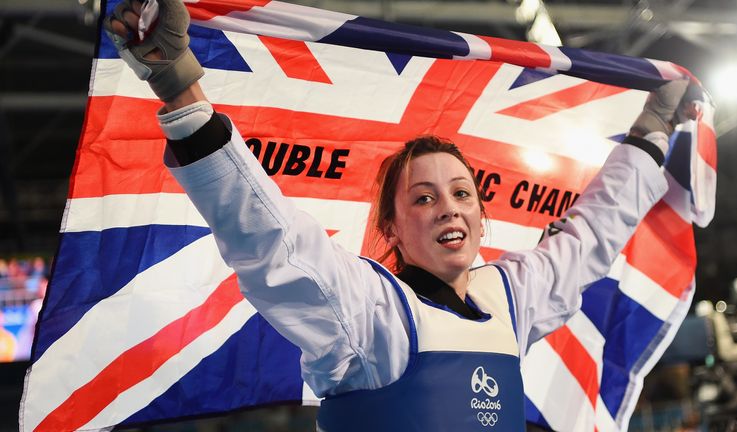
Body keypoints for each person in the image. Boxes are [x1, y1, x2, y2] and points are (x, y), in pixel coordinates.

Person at [105, 1, 694, 430]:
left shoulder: (513, 300)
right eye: (424, 197)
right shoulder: (369, 313)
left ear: (482, 216)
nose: (448, 209)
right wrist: (177, 82)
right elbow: (266, 234)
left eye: (462, 194)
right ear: (392, 227)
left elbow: (594, 234)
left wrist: (652, 132)